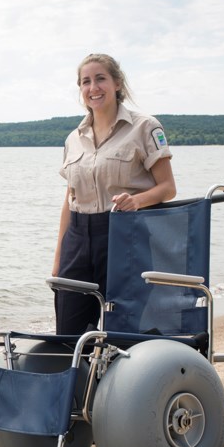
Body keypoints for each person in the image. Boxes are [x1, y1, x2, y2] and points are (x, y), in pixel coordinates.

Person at [52, 54, 176, 335]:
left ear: (117, 83)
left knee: (122, 331)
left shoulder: (144, 127)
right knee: (68, 334)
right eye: (86, 81)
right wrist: (59, 257)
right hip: (77, 239)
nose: (93, 87)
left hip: (124, 236)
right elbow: (69, 200)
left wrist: (137, 201)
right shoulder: (73, 138)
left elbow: (168, 187)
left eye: (100, 79)